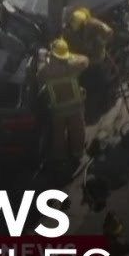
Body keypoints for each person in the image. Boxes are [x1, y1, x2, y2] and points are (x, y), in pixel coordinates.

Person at [38, 39, 90, 168]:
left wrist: (44, 59)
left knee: (59, 133)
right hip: (75, 107)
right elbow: (85, 60)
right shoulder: (73, 66)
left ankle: (59, 156)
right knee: (77, 130)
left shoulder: (46, 71)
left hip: (58, 109)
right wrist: (70, 56)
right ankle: (78, 153)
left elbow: (39, 73)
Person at [65, 7, 114, 104]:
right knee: (85, 82)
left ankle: (107, 100)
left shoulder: (94, 24)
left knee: (101, 80)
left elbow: (109, 33)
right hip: (81, 60)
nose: (75, 28)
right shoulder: (70, 27)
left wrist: (100, 43)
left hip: (95, 59)